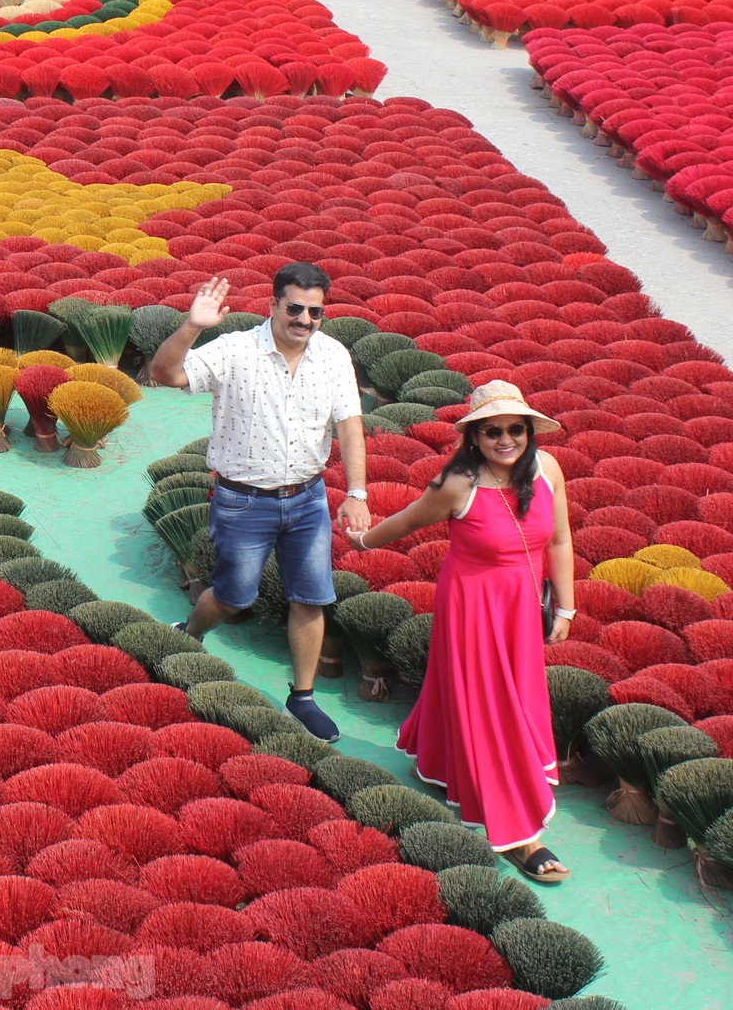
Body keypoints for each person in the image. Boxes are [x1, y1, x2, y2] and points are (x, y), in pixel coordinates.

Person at [345, 380, 577, 882]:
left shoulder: (549, 471)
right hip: (473, 608)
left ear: (530, 431)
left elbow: (559, 539)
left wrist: (567, 607)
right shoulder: (457, 484)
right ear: (475, 436)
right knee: (495, 707)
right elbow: (407, 522)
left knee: (501, 694)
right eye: (492, 431)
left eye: (516, 429)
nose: (506, 439)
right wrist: (363, 541)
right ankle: (520, 834)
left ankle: (438, 762)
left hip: (522, 608)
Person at [149, 264, 371, 742]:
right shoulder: (235, 350)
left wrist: (357, 492)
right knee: (233, 596)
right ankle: (189, 633)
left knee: (311, 599)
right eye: (295, 308)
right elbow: (164, 374)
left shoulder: (333, 356)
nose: (305, 319)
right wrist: (192, 327)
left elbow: (350, 424)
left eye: (315, 311)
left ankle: (303, 698)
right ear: (272, 305)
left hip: (308, 498)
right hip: (243, 501)